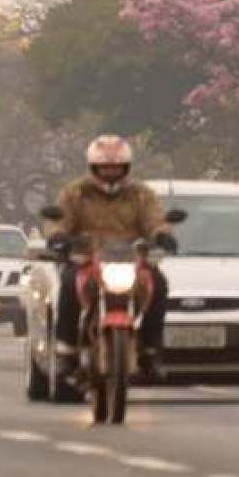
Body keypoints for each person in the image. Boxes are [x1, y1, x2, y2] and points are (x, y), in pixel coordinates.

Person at [48, 135, 173, 378]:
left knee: (159, 283)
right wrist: (58, 236)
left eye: (116, 167)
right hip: (86, 259)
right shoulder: (75, 192)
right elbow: (59, 220)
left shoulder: (141, 194)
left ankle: (150, 350)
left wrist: (162, 235)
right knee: (67, 284)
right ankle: (66, 352)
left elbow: (155, 219)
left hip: (131, 259)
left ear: (126, 167)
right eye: (104, 167)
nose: (110, 173)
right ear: (93, 167)